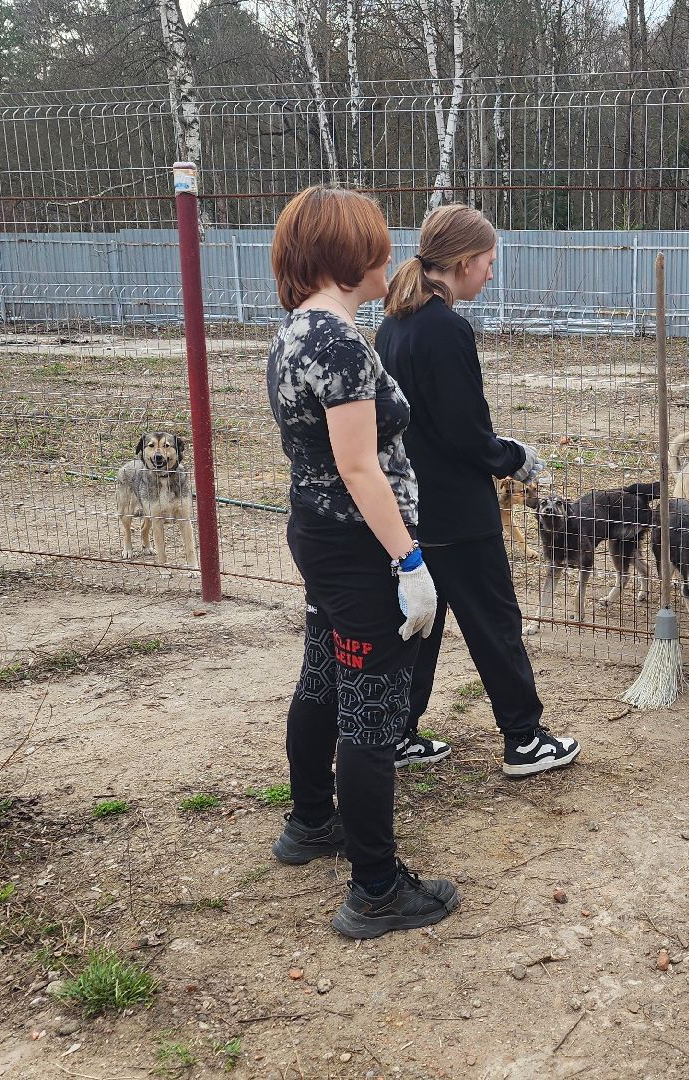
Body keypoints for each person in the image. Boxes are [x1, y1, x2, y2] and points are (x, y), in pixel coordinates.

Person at [264, 185, 459, 939]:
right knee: (373, 709)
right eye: (378, 242)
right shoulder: (340, 345)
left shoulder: (294, 332)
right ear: (350, 257)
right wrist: (408, 561)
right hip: (359, 546)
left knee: (322, 676)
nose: (391, 253)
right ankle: (376, 887)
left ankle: (313, 819)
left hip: (318, 534)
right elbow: (359, 467)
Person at [374, 204, 580, 778]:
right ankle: (523, 739)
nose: (491, 273)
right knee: (494, 624)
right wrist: (512, 457)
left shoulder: (395, 322)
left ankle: (396, 731)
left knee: (422, 625)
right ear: (463, 262)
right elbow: (466, 432)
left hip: (414, 505)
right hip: (461, 510)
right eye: (488, 262)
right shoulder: (446, 329)